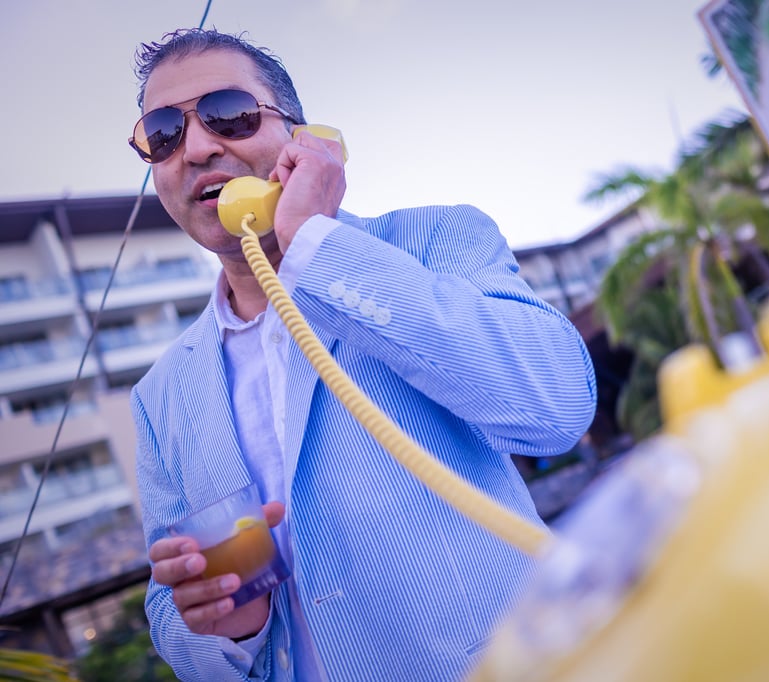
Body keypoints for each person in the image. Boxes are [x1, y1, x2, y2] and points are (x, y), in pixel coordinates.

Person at [129, 28, 596, 681]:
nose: (199, 147)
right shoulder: (159, 398)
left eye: (228, 114)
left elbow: (558, 405)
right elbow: (170, 613)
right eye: (163, 134)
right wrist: (228, 627)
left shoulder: (436, 237)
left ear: (302, 138)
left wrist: (317, 248)